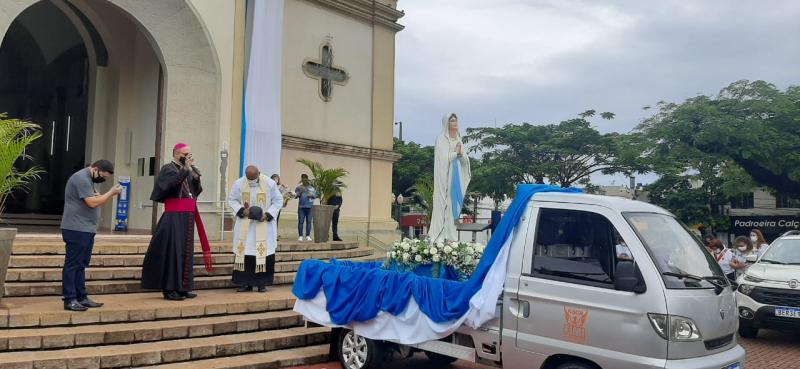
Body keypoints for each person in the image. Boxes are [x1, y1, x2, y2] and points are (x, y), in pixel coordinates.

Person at [141, 143, 213, 301]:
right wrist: (185, 170)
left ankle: (183, 287)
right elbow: (168, 187)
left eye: (190, 154)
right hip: (174, 217)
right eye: (186, 154)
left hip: (187, 216)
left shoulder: (187, 169)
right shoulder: (168, 169)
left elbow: (195, 191)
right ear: (177, 154)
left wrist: (195, 175)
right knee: (173, 252)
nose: (189, 157)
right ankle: (170, 289)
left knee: (185, 252)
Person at [60, 160, 122, 311]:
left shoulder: (88, 179)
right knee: (73, 264)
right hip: (76, 229)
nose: (103, 179)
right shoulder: (81, 178)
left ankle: (81, 297)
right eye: (102, 175)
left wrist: (101, 196)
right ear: (95, 169)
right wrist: (110, 193)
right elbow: (92, 203)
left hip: (86, 229)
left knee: (81, 265)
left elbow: (93, 200)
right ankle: (70, 299)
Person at [229, 166, 283, 292]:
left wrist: (267, 215)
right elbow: (232, 200)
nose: (251, 182)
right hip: (245, 226)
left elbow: (278, 201)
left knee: (263, 253)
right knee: (245, 253)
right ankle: (244, 283)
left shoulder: (270, 183)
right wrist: (243, 211)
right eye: (249, 179)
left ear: (259, 173)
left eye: (254, 179)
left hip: (263, 225)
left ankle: (261, 283)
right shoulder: (239, 183)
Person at [429, 113, 471, 244]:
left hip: (456, 176)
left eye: (456, 120)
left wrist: (461, 154)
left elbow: (464, 158)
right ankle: (440, 234)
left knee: (454, 206)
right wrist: (455, 153)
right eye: (452, 120)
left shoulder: (458, 139)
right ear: (447, 123)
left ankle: (451, 236)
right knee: (443, 204)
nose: (455, 123)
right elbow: (442, 159)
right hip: (444, 178)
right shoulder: (441, 138)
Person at [295, 174, 316, 242]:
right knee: (300, 221)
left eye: (305, 178)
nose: (304, 180)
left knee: (309, 222)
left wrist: (312, 195)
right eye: (302, 178)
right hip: (301, 207)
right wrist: (300, 191)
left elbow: (315, 195)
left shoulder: (311, 187)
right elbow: (295, 196)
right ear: (301, 179)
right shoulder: (299, 187)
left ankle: (308, 236)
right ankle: (300, 236)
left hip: (310, 207)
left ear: (307, 179)